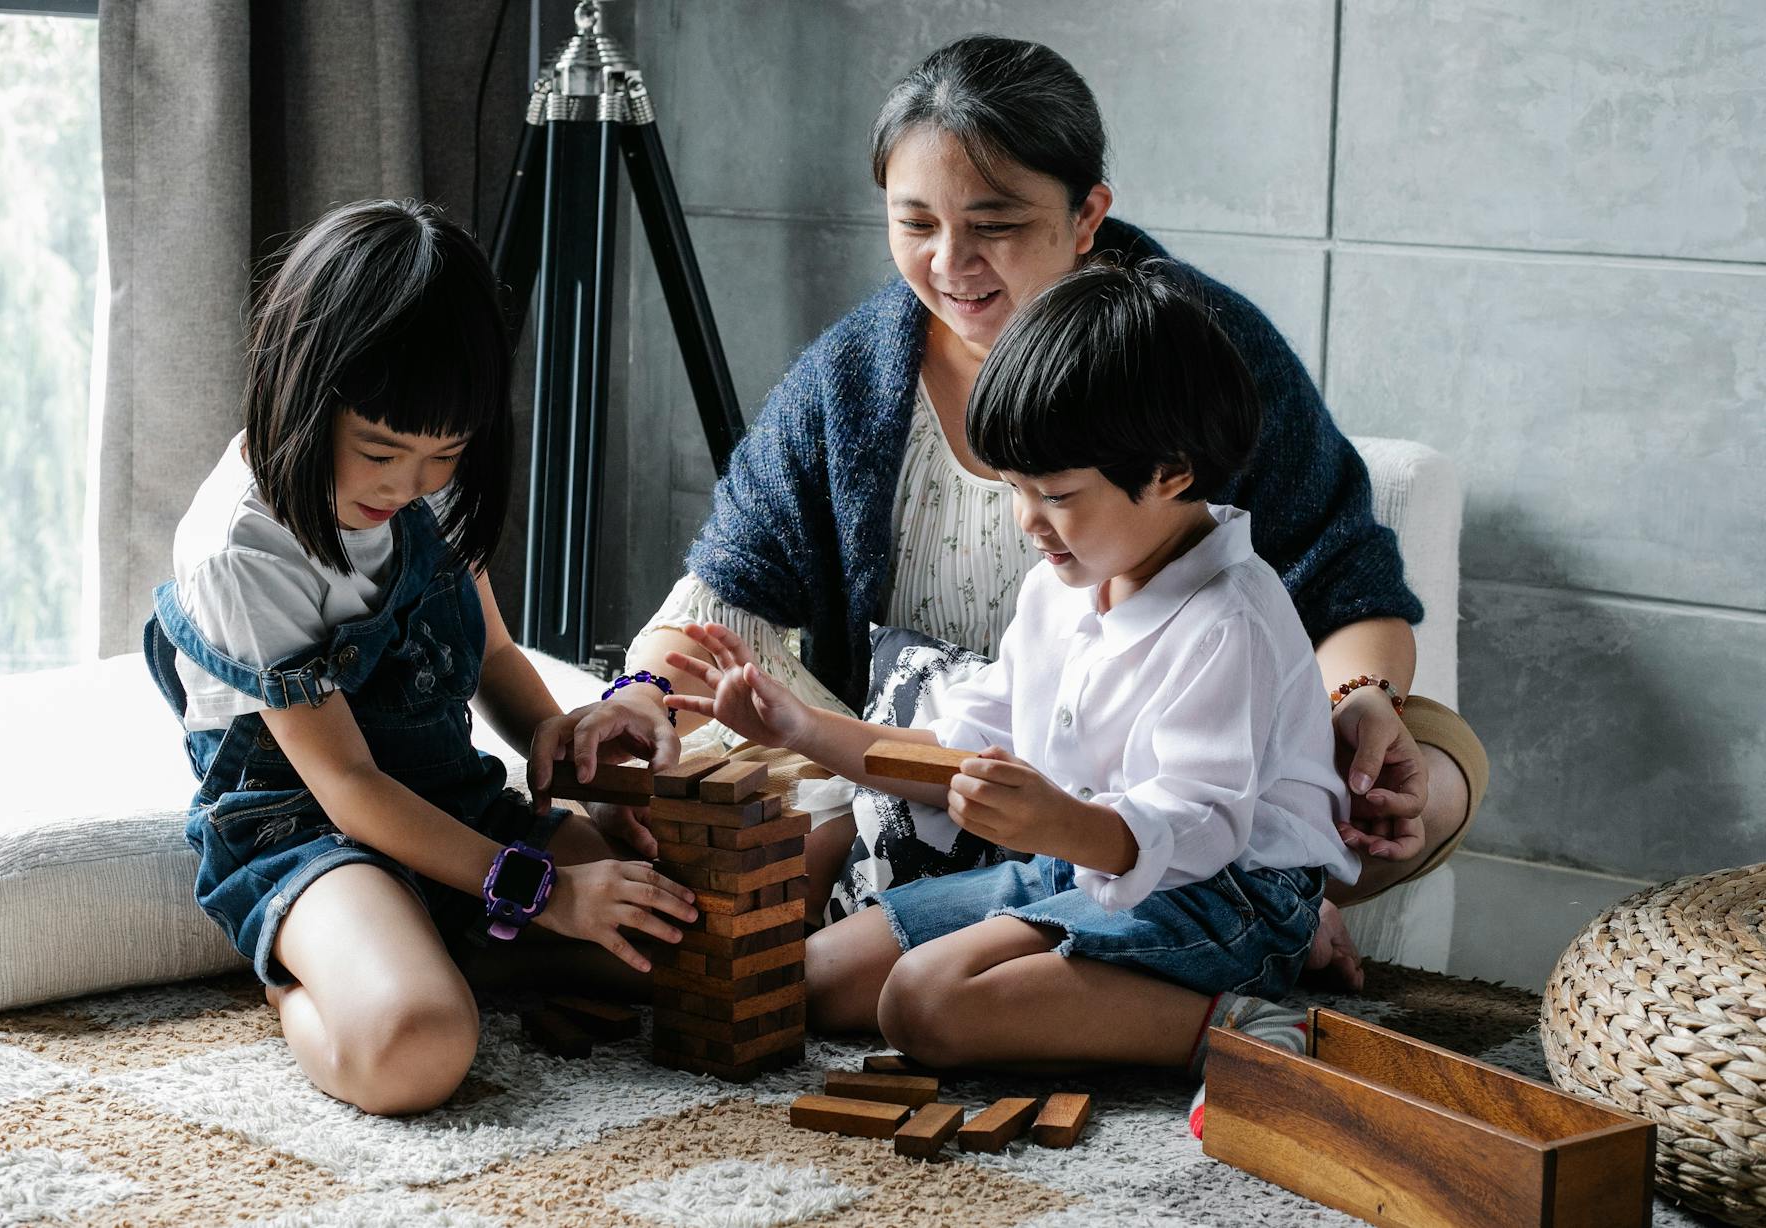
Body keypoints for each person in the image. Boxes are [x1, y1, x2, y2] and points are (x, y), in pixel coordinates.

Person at [568, 34, 1486, 985]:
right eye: (915, 224)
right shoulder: (853, 380)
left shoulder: (1188, 349)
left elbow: (1343, 579)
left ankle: (1250, 919)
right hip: (959, 741)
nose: (952, 262)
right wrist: (640, 700)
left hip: (1180, 760)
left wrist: (1358, 701)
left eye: (995, 223)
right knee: (707, 845)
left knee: (1438, 777)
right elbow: (723, 594)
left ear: (1087, 213)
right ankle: (1160, 921)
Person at [669, 260, 1350, 1135]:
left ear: (1173, 472)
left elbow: (1203, 825)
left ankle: (1243, 1029)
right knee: (807, 982)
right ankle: (1105, 991)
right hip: (1086, 863)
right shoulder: (1061, 588)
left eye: (1057, 495)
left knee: (924, 1003)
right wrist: (803, 730)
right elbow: (959, 752)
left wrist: (1055, 823)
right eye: (1016, 489)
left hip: (1227, 895)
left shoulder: (1230, 620)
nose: (1029, 521)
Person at [143, 200, 695, 1116]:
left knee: (681, 935)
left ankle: (458, 936)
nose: (408, 487)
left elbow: (494, 652)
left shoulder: (424, 486)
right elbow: (348, 785)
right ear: (299, 388)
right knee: (417, 1050)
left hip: (448, 802)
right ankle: (311, 978)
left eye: (444, 455)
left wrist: (553, 728)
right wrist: (537, 887)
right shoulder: (242, 546)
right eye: (381, 451)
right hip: (307, 829)